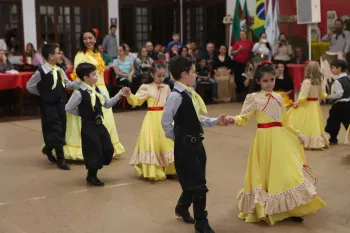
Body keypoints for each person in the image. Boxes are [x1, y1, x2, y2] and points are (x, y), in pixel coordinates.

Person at [226, 61, 326, 225]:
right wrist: (233, 119)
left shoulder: (279, 97)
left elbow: (285, 121)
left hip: (281, 140)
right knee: (266, 174)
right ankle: (269, 207)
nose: (269, 84)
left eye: (272, 80)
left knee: (288, 172)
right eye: (265, 81)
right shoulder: (253, 98)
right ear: (258, 81)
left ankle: (293, 207)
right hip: (263, 140)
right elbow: (243, 119)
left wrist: (298, 134)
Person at [161, 56, 230, 233]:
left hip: (197, 144)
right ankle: (201, 221)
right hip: (185, 146)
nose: (196, 75)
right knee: (198, 184)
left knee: (197, 180)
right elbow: (165, 122)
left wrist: (216, 121)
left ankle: (182, 207)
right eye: (193, 72)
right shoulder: (175, 96)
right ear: (184, 75)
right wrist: (179, 139)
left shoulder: (189, 93)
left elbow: (197, 118)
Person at [66, 29, 125, 160]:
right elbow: (79, 76)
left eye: (90, 38)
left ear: (95, 39)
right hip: (87, 90)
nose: (88, 41)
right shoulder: (80, 55)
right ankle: (87, 151)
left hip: (101, 89)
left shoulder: (97, 53)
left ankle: (105, 147)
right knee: (89, 122)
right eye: (85, 39)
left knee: (107, 120)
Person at [65, 63, 128, 186]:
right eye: (93, 74)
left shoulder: (96, 90)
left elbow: (107, 104)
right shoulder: (79, 93)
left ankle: (96, 166)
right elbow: (68, 108)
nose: (96, 76)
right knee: (94, 150)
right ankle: (92, 175)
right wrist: (83, 114)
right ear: (85, 78)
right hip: (89, 125)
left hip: (99, 123)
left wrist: (120, 94)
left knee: (108, 148)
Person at [26, 43, 81, 170]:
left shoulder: (60, 70)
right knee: (55, 129)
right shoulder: (41, 72)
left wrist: (79, 81)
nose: (60, 54)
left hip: (61, 104)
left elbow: (67, 85)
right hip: (48, 105)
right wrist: (43, 93)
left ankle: (48, 148)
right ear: (50, 56)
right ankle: (60, 160)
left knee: (62, 129)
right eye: (58, 53)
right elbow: (29, 86)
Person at [124, 61, 176, 180]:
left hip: (165, 117)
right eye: (159, 76)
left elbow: (171, 103)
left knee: (167, 143)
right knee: (152, 143)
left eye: (164, 76)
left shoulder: (167, 87)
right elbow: (136, 100)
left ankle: (169, 168)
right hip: (152, 118)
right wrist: (129, 95)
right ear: (152, 75)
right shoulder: (146, 87)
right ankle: (155, 169)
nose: (162, 78)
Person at [288, 61, 329, 150]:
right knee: (314, 124)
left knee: (302, 122)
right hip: (315, 106)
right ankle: (316, 142)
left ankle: (303, 140)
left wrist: (298, 102)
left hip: (306, 105)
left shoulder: (307, 82)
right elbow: (322, 95)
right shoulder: (319, 82)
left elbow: (303, 97)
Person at [324, 59, 350, 145]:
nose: (332, 70)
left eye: (333, 68)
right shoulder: (348, 78)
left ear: (339, 68)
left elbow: (339, 94)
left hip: (339, 105)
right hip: (348, 103)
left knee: (333, 121)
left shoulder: (338, 81)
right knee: (347, 122)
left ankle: (333, 138)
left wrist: (328, 96)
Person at [231, 31, 253, 100]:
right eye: (240, 34)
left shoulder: (250, 43)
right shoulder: (237, 43)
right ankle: (239, 95)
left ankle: (246, 94)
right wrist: (239, 50)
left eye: (243, 34)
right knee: (238, 78)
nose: (242, 35)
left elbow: (252, 52)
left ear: (246, 35)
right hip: (237, 63)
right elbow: (232, 53)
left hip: (246, 64)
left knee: (246, 78)